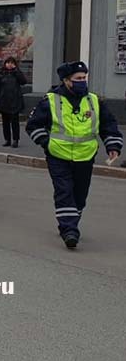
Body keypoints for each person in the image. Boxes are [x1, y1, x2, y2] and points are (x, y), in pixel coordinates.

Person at [26, 61, 122, 249]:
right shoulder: (50, 100)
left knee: (79, 195)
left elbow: (108, 124)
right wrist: (46, 143)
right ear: (66, 81)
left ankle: (70, 222)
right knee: (64, 191)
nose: (82, 82)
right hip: (57, 156)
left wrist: (113, 145)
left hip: (85, 156)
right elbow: (33, 125)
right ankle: (69, 230)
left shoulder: (94, 101)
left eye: (84, 78)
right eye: (78, 79)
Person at [0, 56, 28, 147]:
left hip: (15, 102)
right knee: (5, 123)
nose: (9, 65)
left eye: (12, 63)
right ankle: (7, 139)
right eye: (8, 63)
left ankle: (15, 140)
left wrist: (16, 71)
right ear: (5, 63)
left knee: (15, 122)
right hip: (4, 101)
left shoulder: (16, 73)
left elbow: (23, 81)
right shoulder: (0, 74)